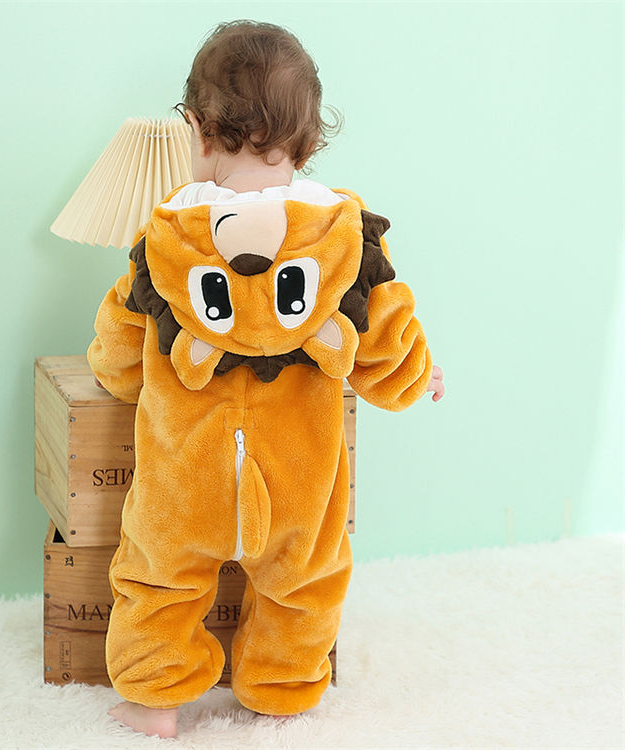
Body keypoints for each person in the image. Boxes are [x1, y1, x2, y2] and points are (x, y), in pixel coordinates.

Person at [87, 19, 445, 739]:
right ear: (309, 144)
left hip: (185, 477)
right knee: (304, 582)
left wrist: (115, 374)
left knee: (158, 578)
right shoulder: (342, 237)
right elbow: (382, 331)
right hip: (299, 478)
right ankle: (280, 692)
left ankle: (155, 700)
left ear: (195, 130)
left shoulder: (166, 238)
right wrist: (417, 375)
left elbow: (121, 348)